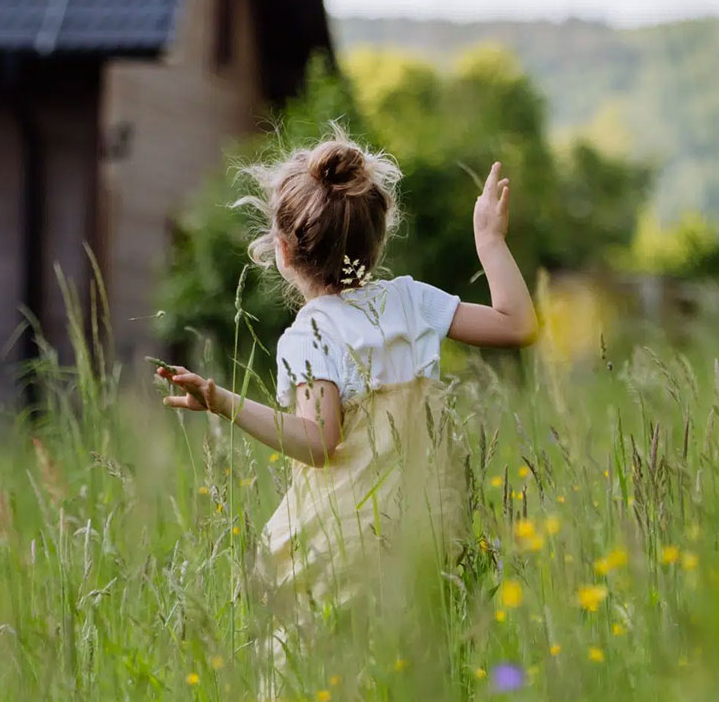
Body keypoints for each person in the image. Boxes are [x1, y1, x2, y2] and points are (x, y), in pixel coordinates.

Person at [155, 132, 537, 635]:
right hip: (427, 537)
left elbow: (319, 442)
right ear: (376, 242)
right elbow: (517, 324)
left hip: (344, 550)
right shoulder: (410, 301)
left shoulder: (313, 331)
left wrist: (222, 401)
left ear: (284, 252)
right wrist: (489, 240)